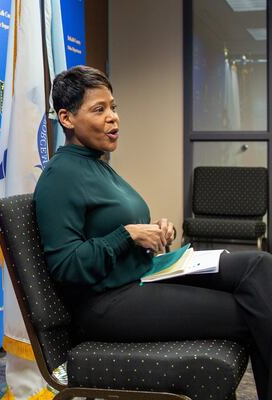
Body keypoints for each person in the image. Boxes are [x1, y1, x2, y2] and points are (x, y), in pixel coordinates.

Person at [33, 65, 272, 399]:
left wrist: (156, 229)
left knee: (259, 265)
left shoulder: (96, 164)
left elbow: (117, 228)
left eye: (113, 107)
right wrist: (127, 235)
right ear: (66, 118)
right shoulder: (60, 177)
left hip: (144, 276)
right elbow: (66, 266)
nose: (113, 118)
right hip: (108, 305)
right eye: (99, 110)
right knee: (254, 307)